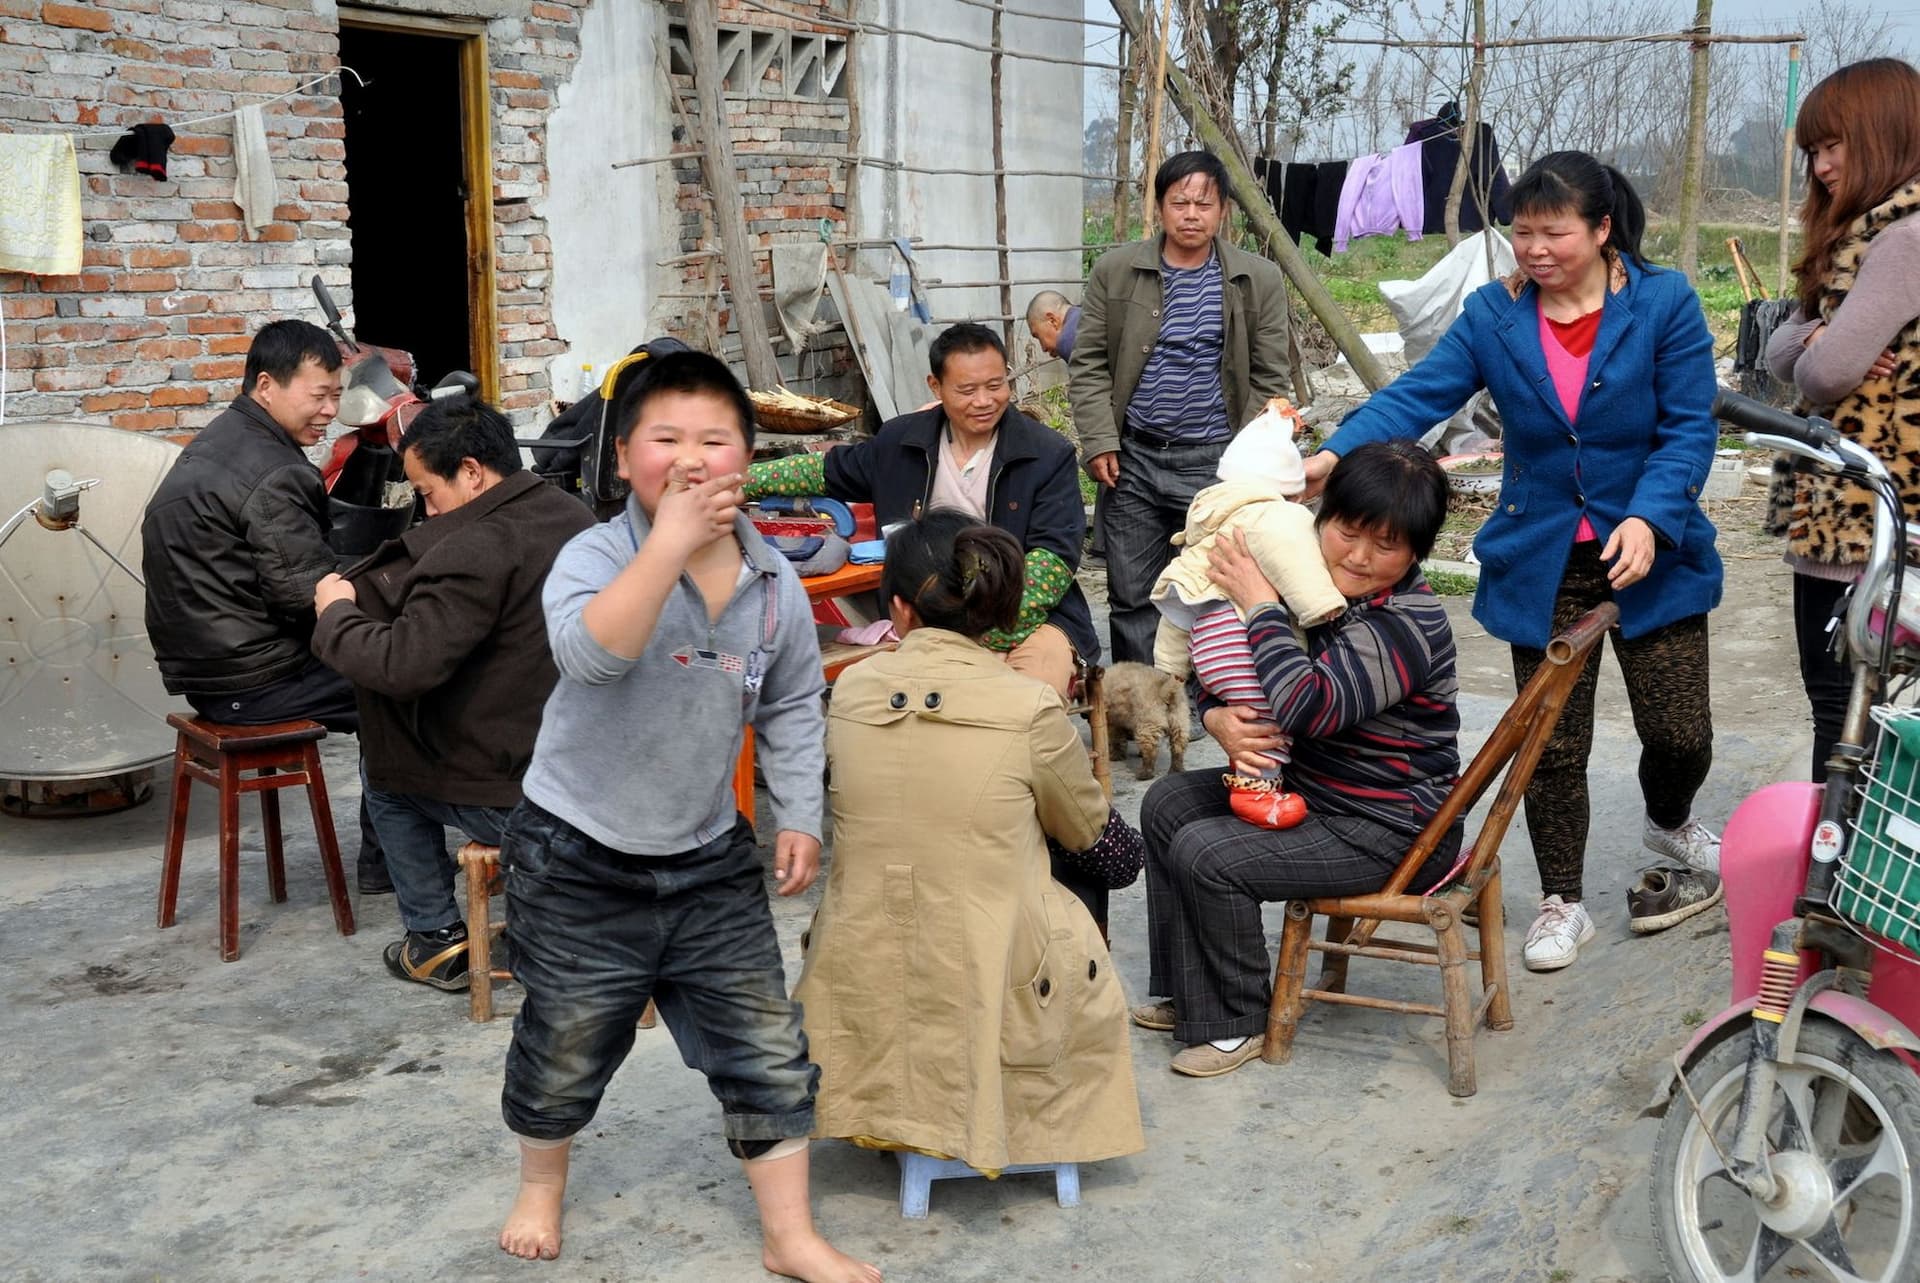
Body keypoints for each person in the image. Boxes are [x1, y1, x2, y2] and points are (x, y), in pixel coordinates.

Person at [492, 349, 877, 1283]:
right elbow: (593, 657)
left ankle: (789, 1235)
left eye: (716, 439)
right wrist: (665, 545)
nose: (693, 458)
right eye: (667, 439)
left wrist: (799, 812)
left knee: (766, 1046)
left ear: (748, 458)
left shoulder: (771, 580)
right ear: (626, 456)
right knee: (567, 1039)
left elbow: (791, 700)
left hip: (708, 854)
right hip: (577, 850)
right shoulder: (593, 555)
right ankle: (540, 1184)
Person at [1306, 151, 1725, 971]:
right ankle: (1563, 900)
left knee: (1681, 732)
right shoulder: (1493, 317)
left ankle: (1669, 818)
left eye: (1553, 232)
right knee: (1553, 745)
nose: (1534, 249)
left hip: (1653, 550)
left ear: (1602, 231)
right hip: (1543, 556)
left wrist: (1650, 515)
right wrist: (1335, 451)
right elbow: (1419, 395)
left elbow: (1688, 425)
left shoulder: (1664, 302)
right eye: (1522, 232)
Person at [794, 510, 1144, 1172]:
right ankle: (1039, 1097)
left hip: (864, 949)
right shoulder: (1027, 705)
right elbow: (1104, 847)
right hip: (994, 962)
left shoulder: (850, 690)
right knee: (1085, 861)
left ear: (899, 609)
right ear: (1000, 609)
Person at [1134, 441, 1460, 1079]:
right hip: (1316, 789)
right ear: (1320, 517)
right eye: (1347, 532)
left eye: (1386, 545)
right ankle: (1192, 995)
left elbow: (1307, 708)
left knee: (1208, 853)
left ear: (1417, 554)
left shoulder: (1403, 623)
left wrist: (1260, 604)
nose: (1359, 557)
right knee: (1166, 803)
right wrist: (1213, 715)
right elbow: (1230, 667)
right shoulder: (1305, 580)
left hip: (1388, 827)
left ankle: (1238, 1020)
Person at [308, 395, 595, 992]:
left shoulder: (475, 548)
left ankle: (434, 939)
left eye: (428, 492)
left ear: (471, 471)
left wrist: (336, 613)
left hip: (525, 794)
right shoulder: (572, 515)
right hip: (591, 769)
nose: (427, 509)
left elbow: (401, 666)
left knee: (384, 769)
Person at [140, 318, 389, 893]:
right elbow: (304, 596)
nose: (330, 411)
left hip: (207, 673)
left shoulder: (219, 442)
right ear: (266, 386)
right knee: (401, 685)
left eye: (337, 396)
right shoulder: (276, 471)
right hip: (254, 680)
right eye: (319, 395)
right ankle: (392, 866)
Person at [744, 321, 1096, 699]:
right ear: (935, 387)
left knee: (1026, 699)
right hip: (923, 618)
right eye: (967, 390)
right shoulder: (901, 442)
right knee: (877, 697)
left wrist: (985, 632)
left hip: (1025, 617)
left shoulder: (1046, 453)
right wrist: (739, 480)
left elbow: (1053, 559)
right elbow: (821, 471)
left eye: (995, 386)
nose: (984, 401)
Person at [1068, 149, 1293, 664]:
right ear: (1160, 207)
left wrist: (1247, 462)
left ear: (1223, 211)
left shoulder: (1257, 279)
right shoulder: (1116, 271)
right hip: (1133, 459)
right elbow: (1088, 364)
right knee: (1131, 594)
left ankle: (1206, 692)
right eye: (1180, 203)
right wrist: (1100, 440)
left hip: (1216, 461)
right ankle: (1141, 698)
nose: (1191, 215)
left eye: (1204, 204)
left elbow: (1269, 377)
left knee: (1211, 589)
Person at [1763, 58, 1920, 779]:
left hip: (1867, 518)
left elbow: (1822, 375)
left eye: (1835, 146)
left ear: (1888, 134)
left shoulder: (1901, 240)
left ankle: (1840, 845)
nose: (1822, 167)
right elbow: (1780, 349)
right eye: (1813, 152)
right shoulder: (1864, 234)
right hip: (1864, 512)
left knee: (1843, 705)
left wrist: (1819, 347)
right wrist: (1820, 335)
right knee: (1857, 703)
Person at [1027, 288, 1109, 564]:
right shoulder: (1091, 321)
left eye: (1038, 336)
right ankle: (1102, 546)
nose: (1044, 349)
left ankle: (1104, 548)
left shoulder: (1076, 337)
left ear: (1052, 320)